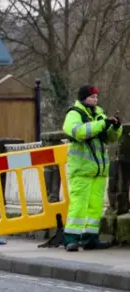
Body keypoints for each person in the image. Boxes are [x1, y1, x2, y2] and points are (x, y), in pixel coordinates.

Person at [62, 84, 122, 252]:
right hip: (82, 170)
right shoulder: (74, 114)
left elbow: (109, 138)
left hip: (98, 170)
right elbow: (79, 132)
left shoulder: (98, 114)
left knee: (95, 207)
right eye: (92, 97)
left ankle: (90, 239)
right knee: (79, 205)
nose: (95, 100)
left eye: (96, 97)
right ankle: (70, 239)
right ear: (83, 98)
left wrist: (116, 128)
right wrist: (102, 124)